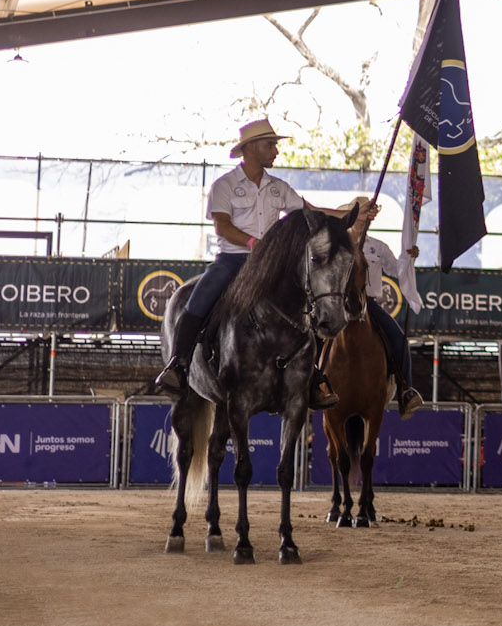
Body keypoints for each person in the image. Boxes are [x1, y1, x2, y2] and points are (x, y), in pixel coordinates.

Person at [153, 119, 367, 410]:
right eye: (270, 144)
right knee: (199, 298)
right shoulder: (224, 185)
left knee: (305, 304)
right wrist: (255, 243)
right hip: (232, 260)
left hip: (270, 265)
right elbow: (222, 226)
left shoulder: (278, 187)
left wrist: (351, 214)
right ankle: (178, 364)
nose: (275, 150)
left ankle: (313, 377)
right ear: (250, 148)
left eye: (275, 144)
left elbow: (312, 211)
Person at [355, 216, 424, 417]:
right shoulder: (338, 242)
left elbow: (396, 270)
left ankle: (406, 390)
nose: (365, 220)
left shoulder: (378, 247)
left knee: (400, 340)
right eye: (361, 216)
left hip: (369, 304)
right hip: (339, 303)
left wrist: (409, 257)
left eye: (368, 217)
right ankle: (311, 384)